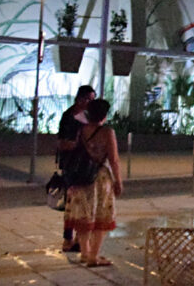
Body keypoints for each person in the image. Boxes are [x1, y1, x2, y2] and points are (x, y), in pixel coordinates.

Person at [64, 99, 122, 267]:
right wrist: (118, 181)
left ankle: (85, 253)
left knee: (83, 216)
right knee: (101, 217)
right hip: (100, 178)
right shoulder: (107, 132)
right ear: (104, 115)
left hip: (81, 177)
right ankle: (93, 256)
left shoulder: (80, 130)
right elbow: (114, 159)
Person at [57, 85, 95, 253]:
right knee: (72, 203)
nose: (91, 103)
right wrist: (79, 142)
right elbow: (63, 142)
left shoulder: (88, 117)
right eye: (89, 99)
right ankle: (68, 239)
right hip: (72, 165)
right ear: (81, 99)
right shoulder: (69, 117)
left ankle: (79, 239)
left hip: (87, 165)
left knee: (83, 204)